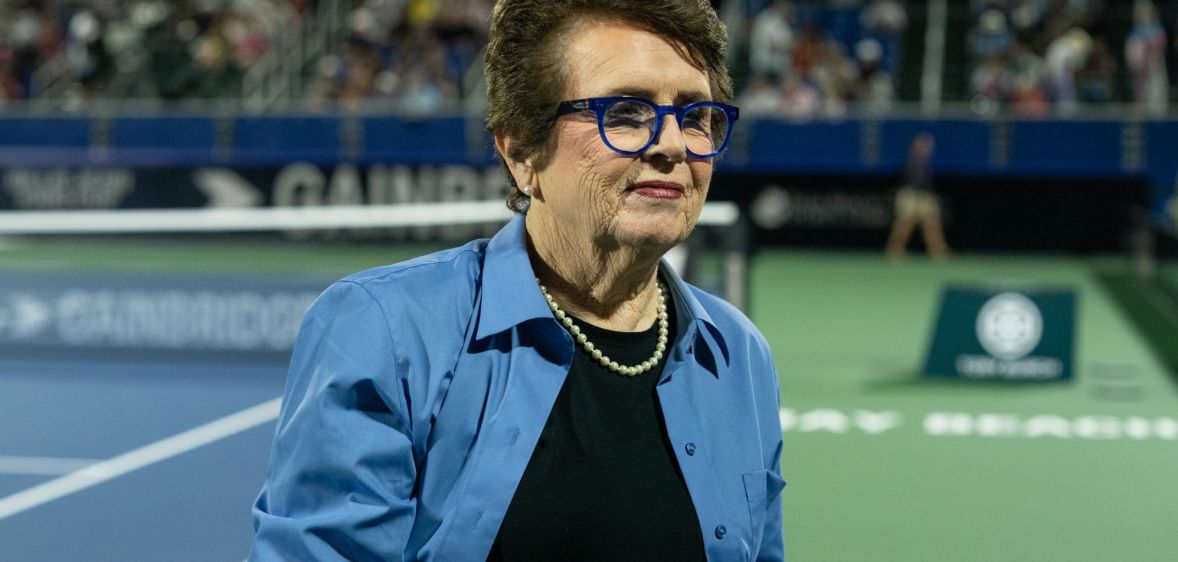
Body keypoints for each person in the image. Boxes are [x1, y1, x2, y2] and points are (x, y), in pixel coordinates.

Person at [249, 1, 786, 560]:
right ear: (521, 150)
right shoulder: (386, 331)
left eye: (697, 115)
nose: (673, 144)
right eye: (626, 112)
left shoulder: (738, 355)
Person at [885, 132, 951, 260]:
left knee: (932, 224)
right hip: (910, 195)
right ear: (915, 145)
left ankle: (938, 251)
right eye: (923, 144)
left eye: (928, 145)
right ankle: (894, 250)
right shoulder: (911, 160)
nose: (927, 147)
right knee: (904, 225)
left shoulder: (925, 162)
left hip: (924, 196)